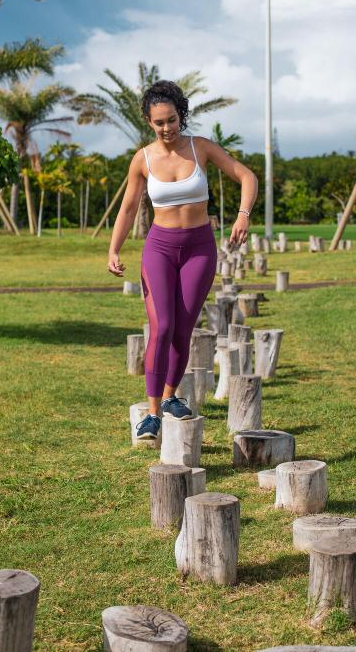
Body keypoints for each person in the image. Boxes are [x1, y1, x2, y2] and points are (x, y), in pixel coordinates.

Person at [107, 80, 258, 442]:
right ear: (149, 122)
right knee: (161, 327)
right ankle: (153, 412)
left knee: (183, 328)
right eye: (158, 122)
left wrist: (243, 214)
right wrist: (114, 248)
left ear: (181, 115)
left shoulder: (200, 148)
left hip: (199, 249)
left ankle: (173, 394)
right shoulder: (142, 160)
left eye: (172, 120)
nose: (166, 128)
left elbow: (246, 176)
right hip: (159, 248)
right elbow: (128, 208)